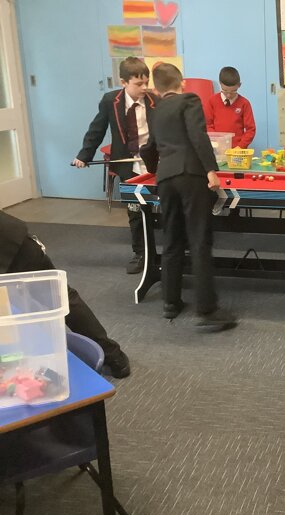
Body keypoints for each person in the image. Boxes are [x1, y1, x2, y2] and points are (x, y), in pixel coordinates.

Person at [139, 63, 236, 333]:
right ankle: (207, 309)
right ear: (181, 83)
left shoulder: (156, 109)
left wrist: (154, 169)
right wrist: (211, 170)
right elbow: (197, 135)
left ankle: (170, 302)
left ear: (157, 88)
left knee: (171, 239)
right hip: (191, 175)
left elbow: (149, 147)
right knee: (199, 240)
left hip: (165, 179)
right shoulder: (190, 100)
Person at [0, 210, 131, 378]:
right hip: (12, 240)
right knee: (56, 298)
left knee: (60, 297)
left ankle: (111, 355)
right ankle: (112, 355)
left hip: (12, 244)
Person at [72, 56, 157, 275]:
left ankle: (166, 252)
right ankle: (141, 254)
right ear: (124, 82)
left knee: (158, 209)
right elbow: (97, 129)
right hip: (128, 164)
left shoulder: (154, 101)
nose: (144, 88)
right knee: (135, 211)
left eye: (146, 82)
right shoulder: (111, 101)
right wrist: (85, 155)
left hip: (153, 162)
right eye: (139, 83)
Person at [203, 66, 256, 149]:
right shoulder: (212, 101)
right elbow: (207, 124)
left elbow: (251, 129)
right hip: (218, 148)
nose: (228, 95)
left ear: (239, 85)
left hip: (238, 150)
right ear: (220, 84)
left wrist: (240, 146)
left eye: (233, 91)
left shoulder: (244, 103)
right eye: (225, 91)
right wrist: (217, 141)